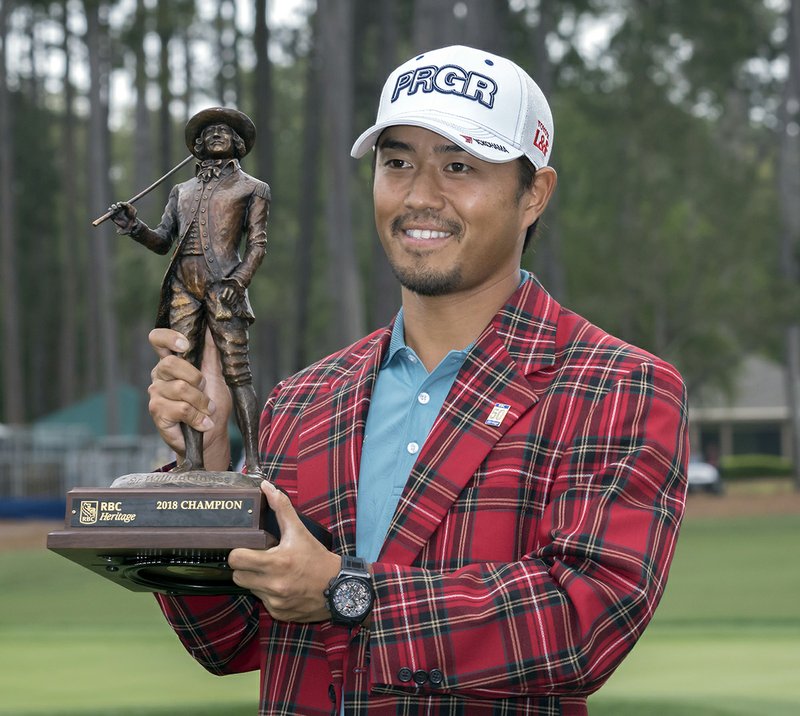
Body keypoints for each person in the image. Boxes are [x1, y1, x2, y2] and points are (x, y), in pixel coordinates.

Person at [146, 46, 688, 715]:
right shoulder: (303, 400)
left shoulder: (619, 387)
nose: (419, 195)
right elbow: (230, 642)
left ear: (534, 195)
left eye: (458, 166)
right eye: (397, 162)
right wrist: (209, 460)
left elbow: (583, 624)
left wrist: (349, 592)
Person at [108, 107, 270, 477]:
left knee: (237, 373)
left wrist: (238, 282)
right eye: (209, 132)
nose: (216, 135)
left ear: (238, 144)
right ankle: (195, 460)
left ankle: (255, 463)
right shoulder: (181, 191)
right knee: (185, 372)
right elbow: (163, 241)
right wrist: (134, 226)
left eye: (224, 132)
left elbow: (258, 245)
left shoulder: (252, 188)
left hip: (224, 285)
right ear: (198, 145)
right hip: (184, 285)